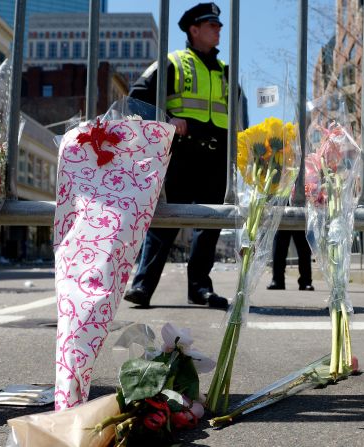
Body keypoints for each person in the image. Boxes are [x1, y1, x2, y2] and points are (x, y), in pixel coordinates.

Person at [123, 2, 231, 309]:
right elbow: (137, 98)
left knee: (210, 223)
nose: (219, 29)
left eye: (219, 25)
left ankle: (200, 288)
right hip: (182, 154)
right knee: (166, 219)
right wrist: (167, 118)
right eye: (212, 25)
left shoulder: (226, 70)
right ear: (194, 30)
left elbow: (234, 114)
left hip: (216, 156)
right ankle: (142, 286)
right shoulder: (172, 62)